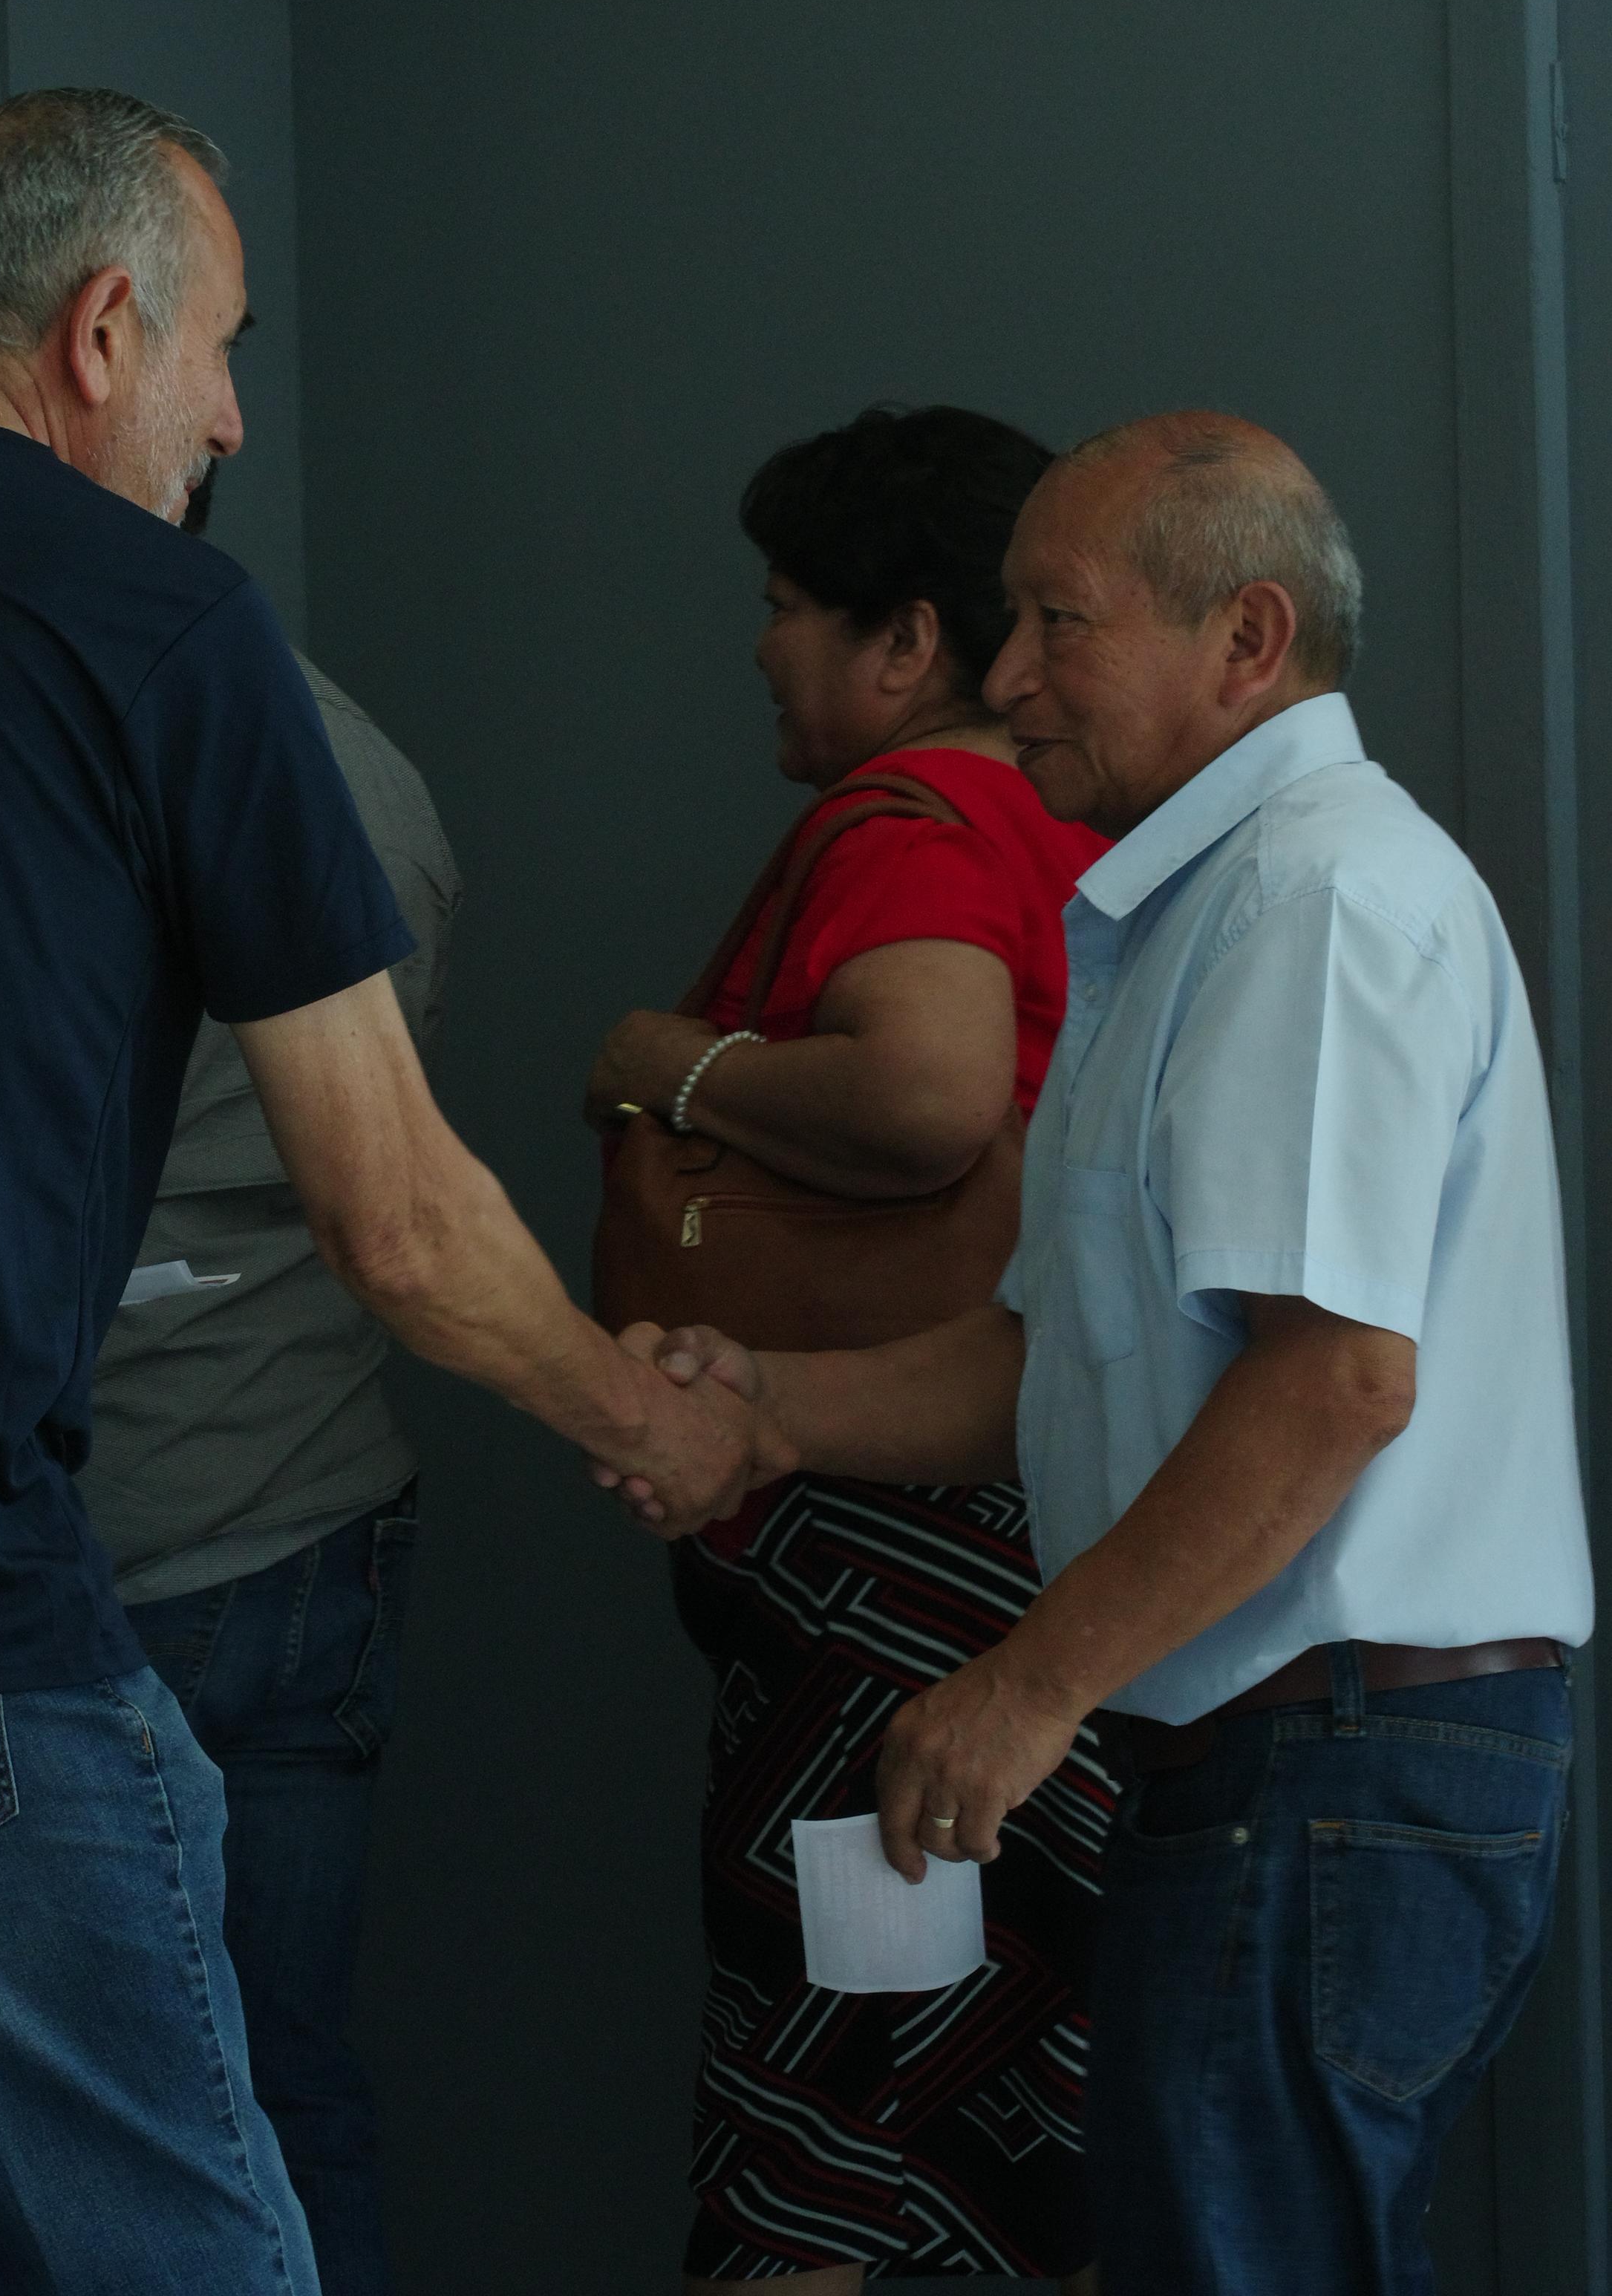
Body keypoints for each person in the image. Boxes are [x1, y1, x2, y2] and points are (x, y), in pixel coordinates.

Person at [0, 87, 746, 2296]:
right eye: (223, 350)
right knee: (181, 2243)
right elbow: (393, 1216)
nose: (220, 419)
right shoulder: (156, 623)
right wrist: (643, 1416)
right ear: (104, 327)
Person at [616, 413, 1594, 2296]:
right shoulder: (1207, 901)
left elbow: (1333, 1381)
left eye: (1057, 623)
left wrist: (1021, 1688)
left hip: (1327, 1759)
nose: (1002, 679)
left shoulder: (1310, 898)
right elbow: (1058, 1362)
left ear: (1244, 639)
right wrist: (766, 1416)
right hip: (1295, 1764)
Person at [0, 507, 455, 2296]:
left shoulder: (6, 755)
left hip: (46, 1554)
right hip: (308, 1522)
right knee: (271, 2085)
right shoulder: (356, 760)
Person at [584, 406, 1112, 2293]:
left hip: (887, 1575)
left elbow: (928, 1090)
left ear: (908, 638)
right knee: (985, 2096)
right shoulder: (1067, 822)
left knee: (837, 2102)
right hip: (1003, 1535)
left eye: (789, 602)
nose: (759, 644)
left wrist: (669, 1060)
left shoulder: (909, 820)